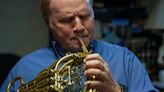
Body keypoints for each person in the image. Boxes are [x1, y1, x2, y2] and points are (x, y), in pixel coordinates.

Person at [0, 0, 159, 92]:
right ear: (48, 23)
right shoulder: (23, 68)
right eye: (66, 20)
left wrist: (115, 90)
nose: (79, 27)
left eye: (84, 16)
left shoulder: (125, 60)